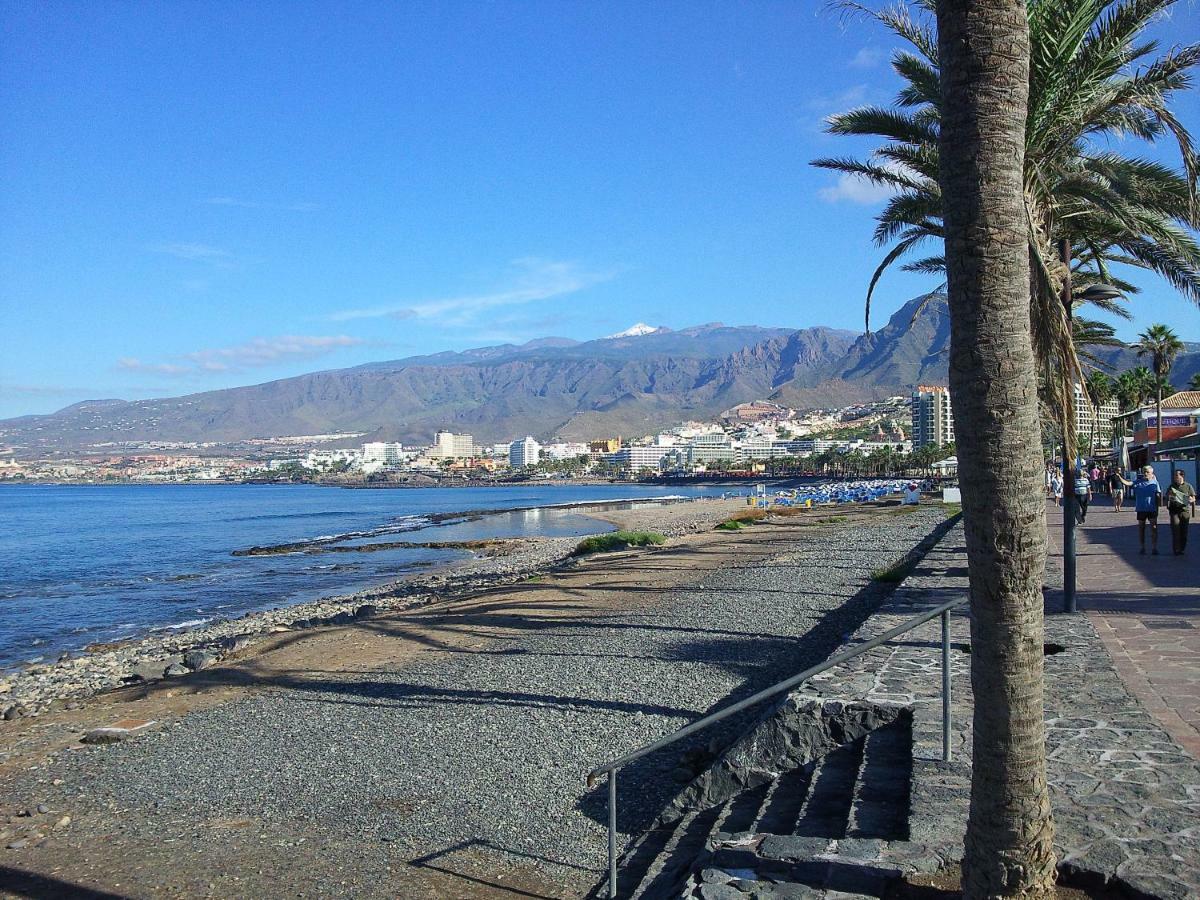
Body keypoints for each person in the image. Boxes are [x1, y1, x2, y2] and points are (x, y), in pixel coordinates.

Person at [1131, 466, 1163, 555]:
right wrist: (1120, 477)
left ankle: (1154, 547)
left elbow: (1159, 495)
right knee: (1141, 529)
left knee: (1154, 528)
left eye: (1148, 472)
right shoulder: (1138, 482)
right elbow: (1128, 483)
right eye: (1145, 471)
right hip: (1141, 508)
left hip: (1152, 509)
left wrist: (1158, 507)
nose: (1146, 473)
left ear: (1152, 473)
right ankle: (1142, 547)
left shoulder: (1155, 483)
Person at [1166, 469, 1197, 556]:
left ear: (1182, 476)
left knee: (1184, 532)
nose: (1175, 477)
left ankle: (1182, 548)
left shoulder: (1188, 486)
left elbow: (1193, 498)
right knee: (1175, 530)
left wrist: (1191, 499)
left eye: (1177, 475)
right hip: (1174, 511)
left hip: (1184, 511)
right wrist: (1170, 497)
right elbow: (1168, 496)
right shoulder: (1172, 486)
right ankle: (1176, 550)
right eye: (1175, 475)